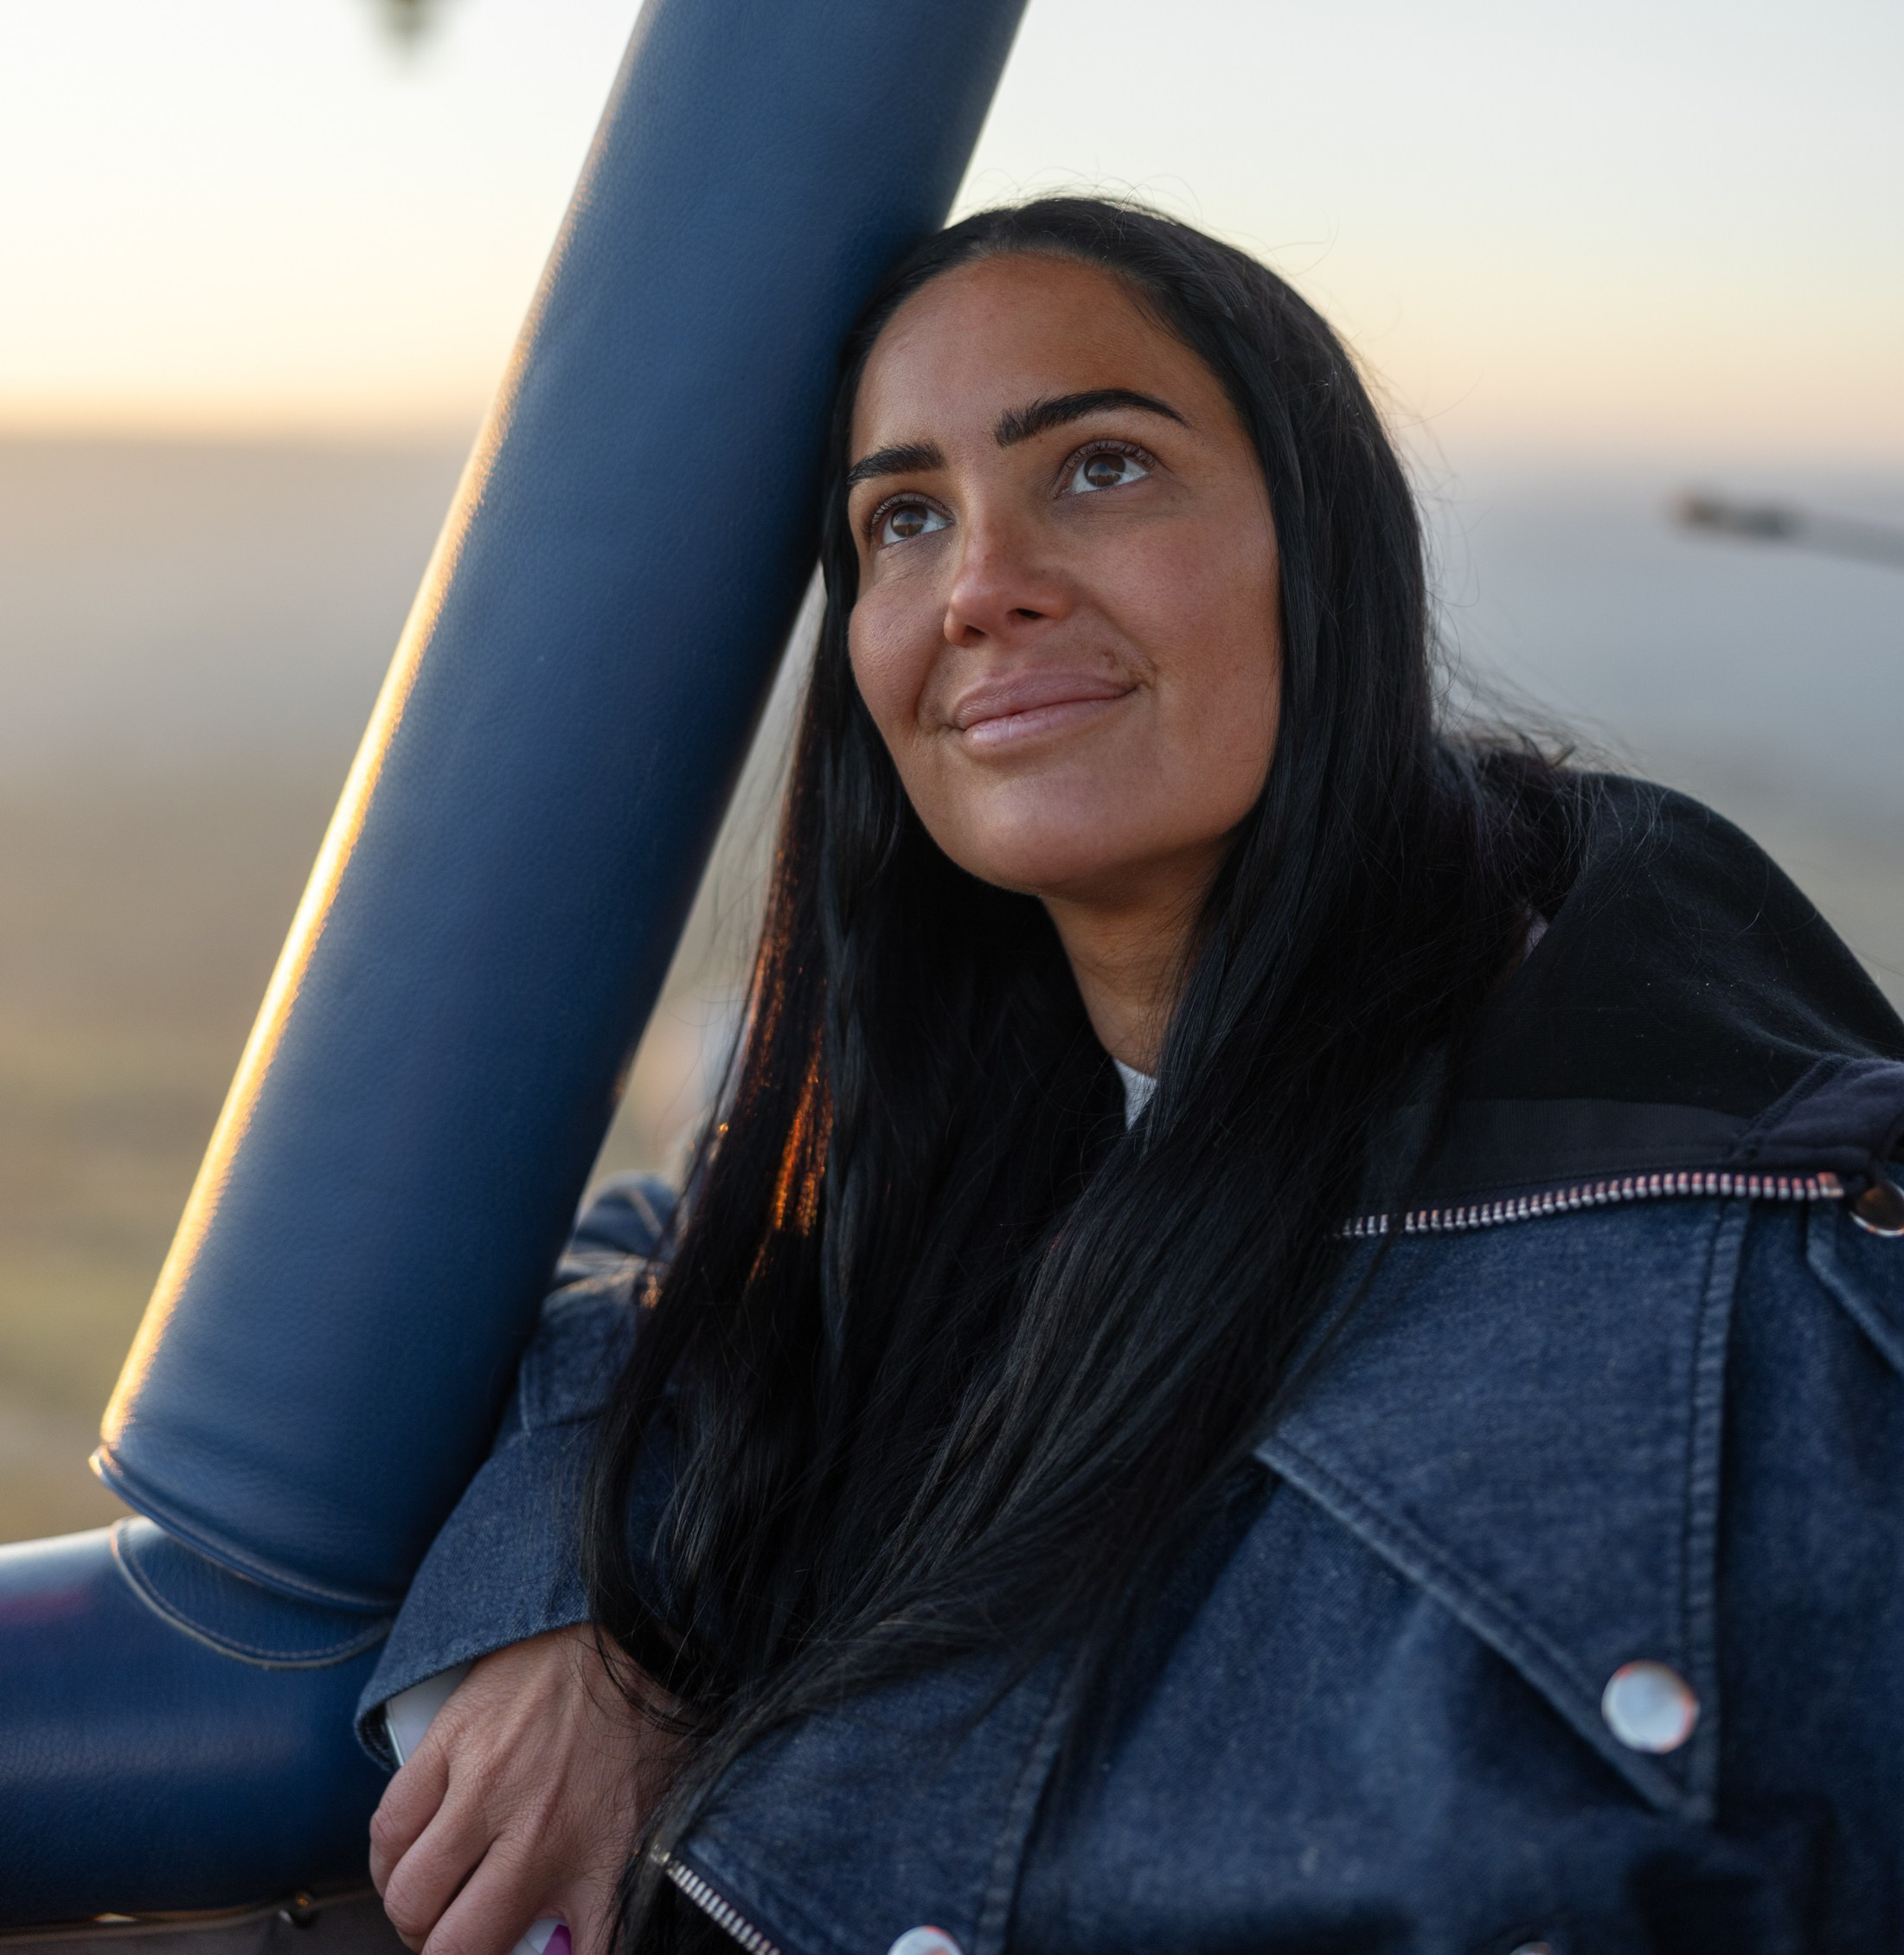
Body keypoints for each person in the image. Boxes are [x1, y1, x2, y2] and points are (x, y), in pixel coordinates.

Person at [362, 199, 1904, 1955]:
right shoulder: (956, 1154)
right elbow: (653, 1261)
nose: (979, 586)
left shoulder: (1801, 1293)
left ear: (1327, 548)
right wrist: (593, 1604)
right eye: (905, 517)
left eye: (1100, 467)